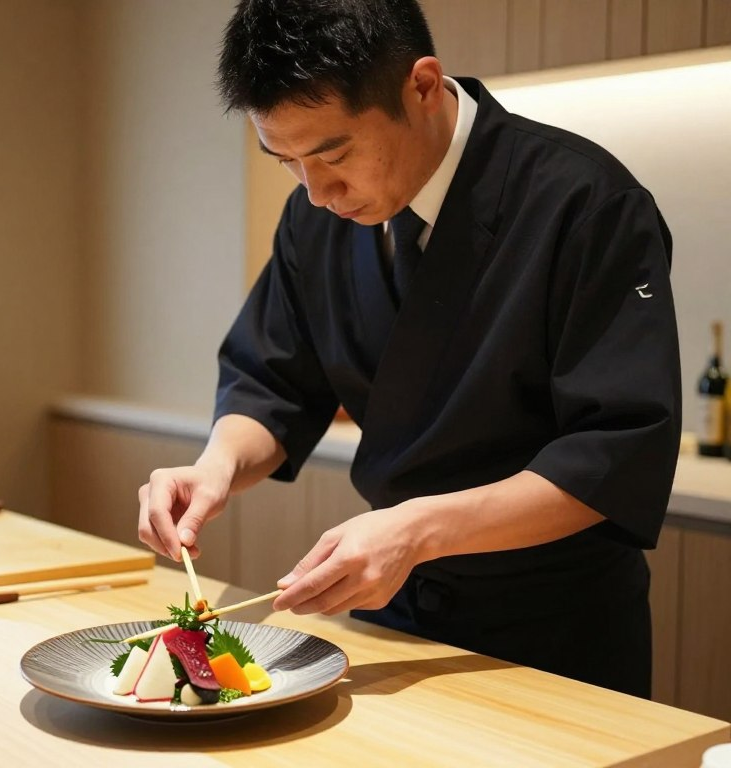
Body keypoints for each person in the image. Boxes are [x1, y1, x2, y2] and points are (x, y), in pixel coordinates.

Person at [138, 0, 681, 698]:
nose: (318, 191)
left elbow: (615, 451)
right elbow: (273, 386)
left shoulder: (584, 202)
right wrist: (214, 467)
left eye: (333, 154)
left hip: (555, 632)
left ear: (422, 86)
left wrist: (419, 529)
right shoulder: (318, 215)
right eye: (287, 162)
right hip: (394, 620)